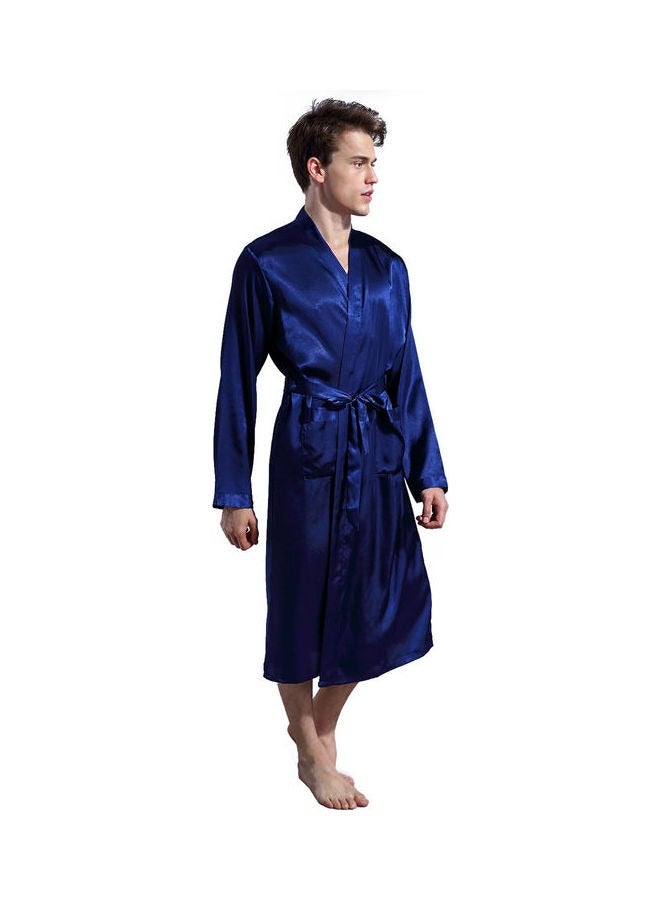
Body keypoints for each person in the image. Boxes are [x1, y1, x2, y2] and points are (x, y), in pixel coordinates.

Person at [212, 98, 449, 810]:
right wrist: (234, 492)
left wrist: (427, 471)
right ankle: (314, 755)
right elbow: (237, 380)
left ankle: (314, 727)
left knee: (382, 600)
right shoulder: (267, 262)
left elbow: (406, 374)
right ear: (317, 169)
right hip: (309, 449)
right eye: (359, 162)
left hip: (376, 453)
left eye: (376, 162)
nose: (373, 176)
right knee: (299, 599)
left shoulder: (387, 267)